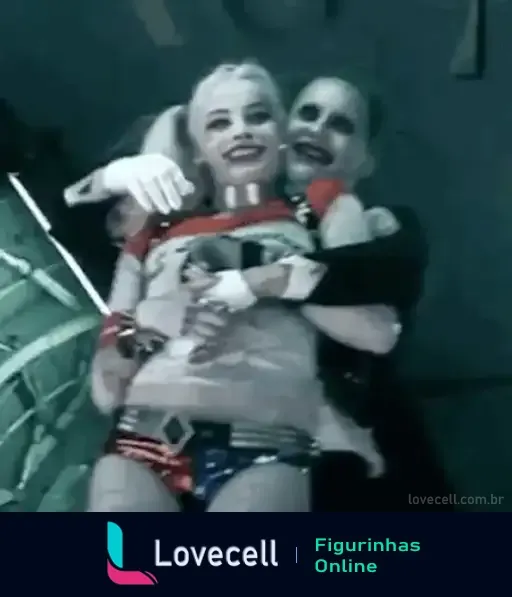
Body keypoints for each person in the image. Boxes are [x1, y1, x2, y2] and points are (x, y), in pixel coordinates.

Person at [87, 62, 397, 512]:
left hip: (266, 441)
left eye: (258, 116)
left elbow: (374, 326)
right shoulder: (153, 233)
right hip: (143, 436)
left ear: (281, 133)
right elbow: (108, 381)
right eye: (219, 123)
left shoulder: (324, 210)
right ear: (198, 149)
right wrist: (154, 321)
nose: (241, 131)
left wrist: (257, 276)